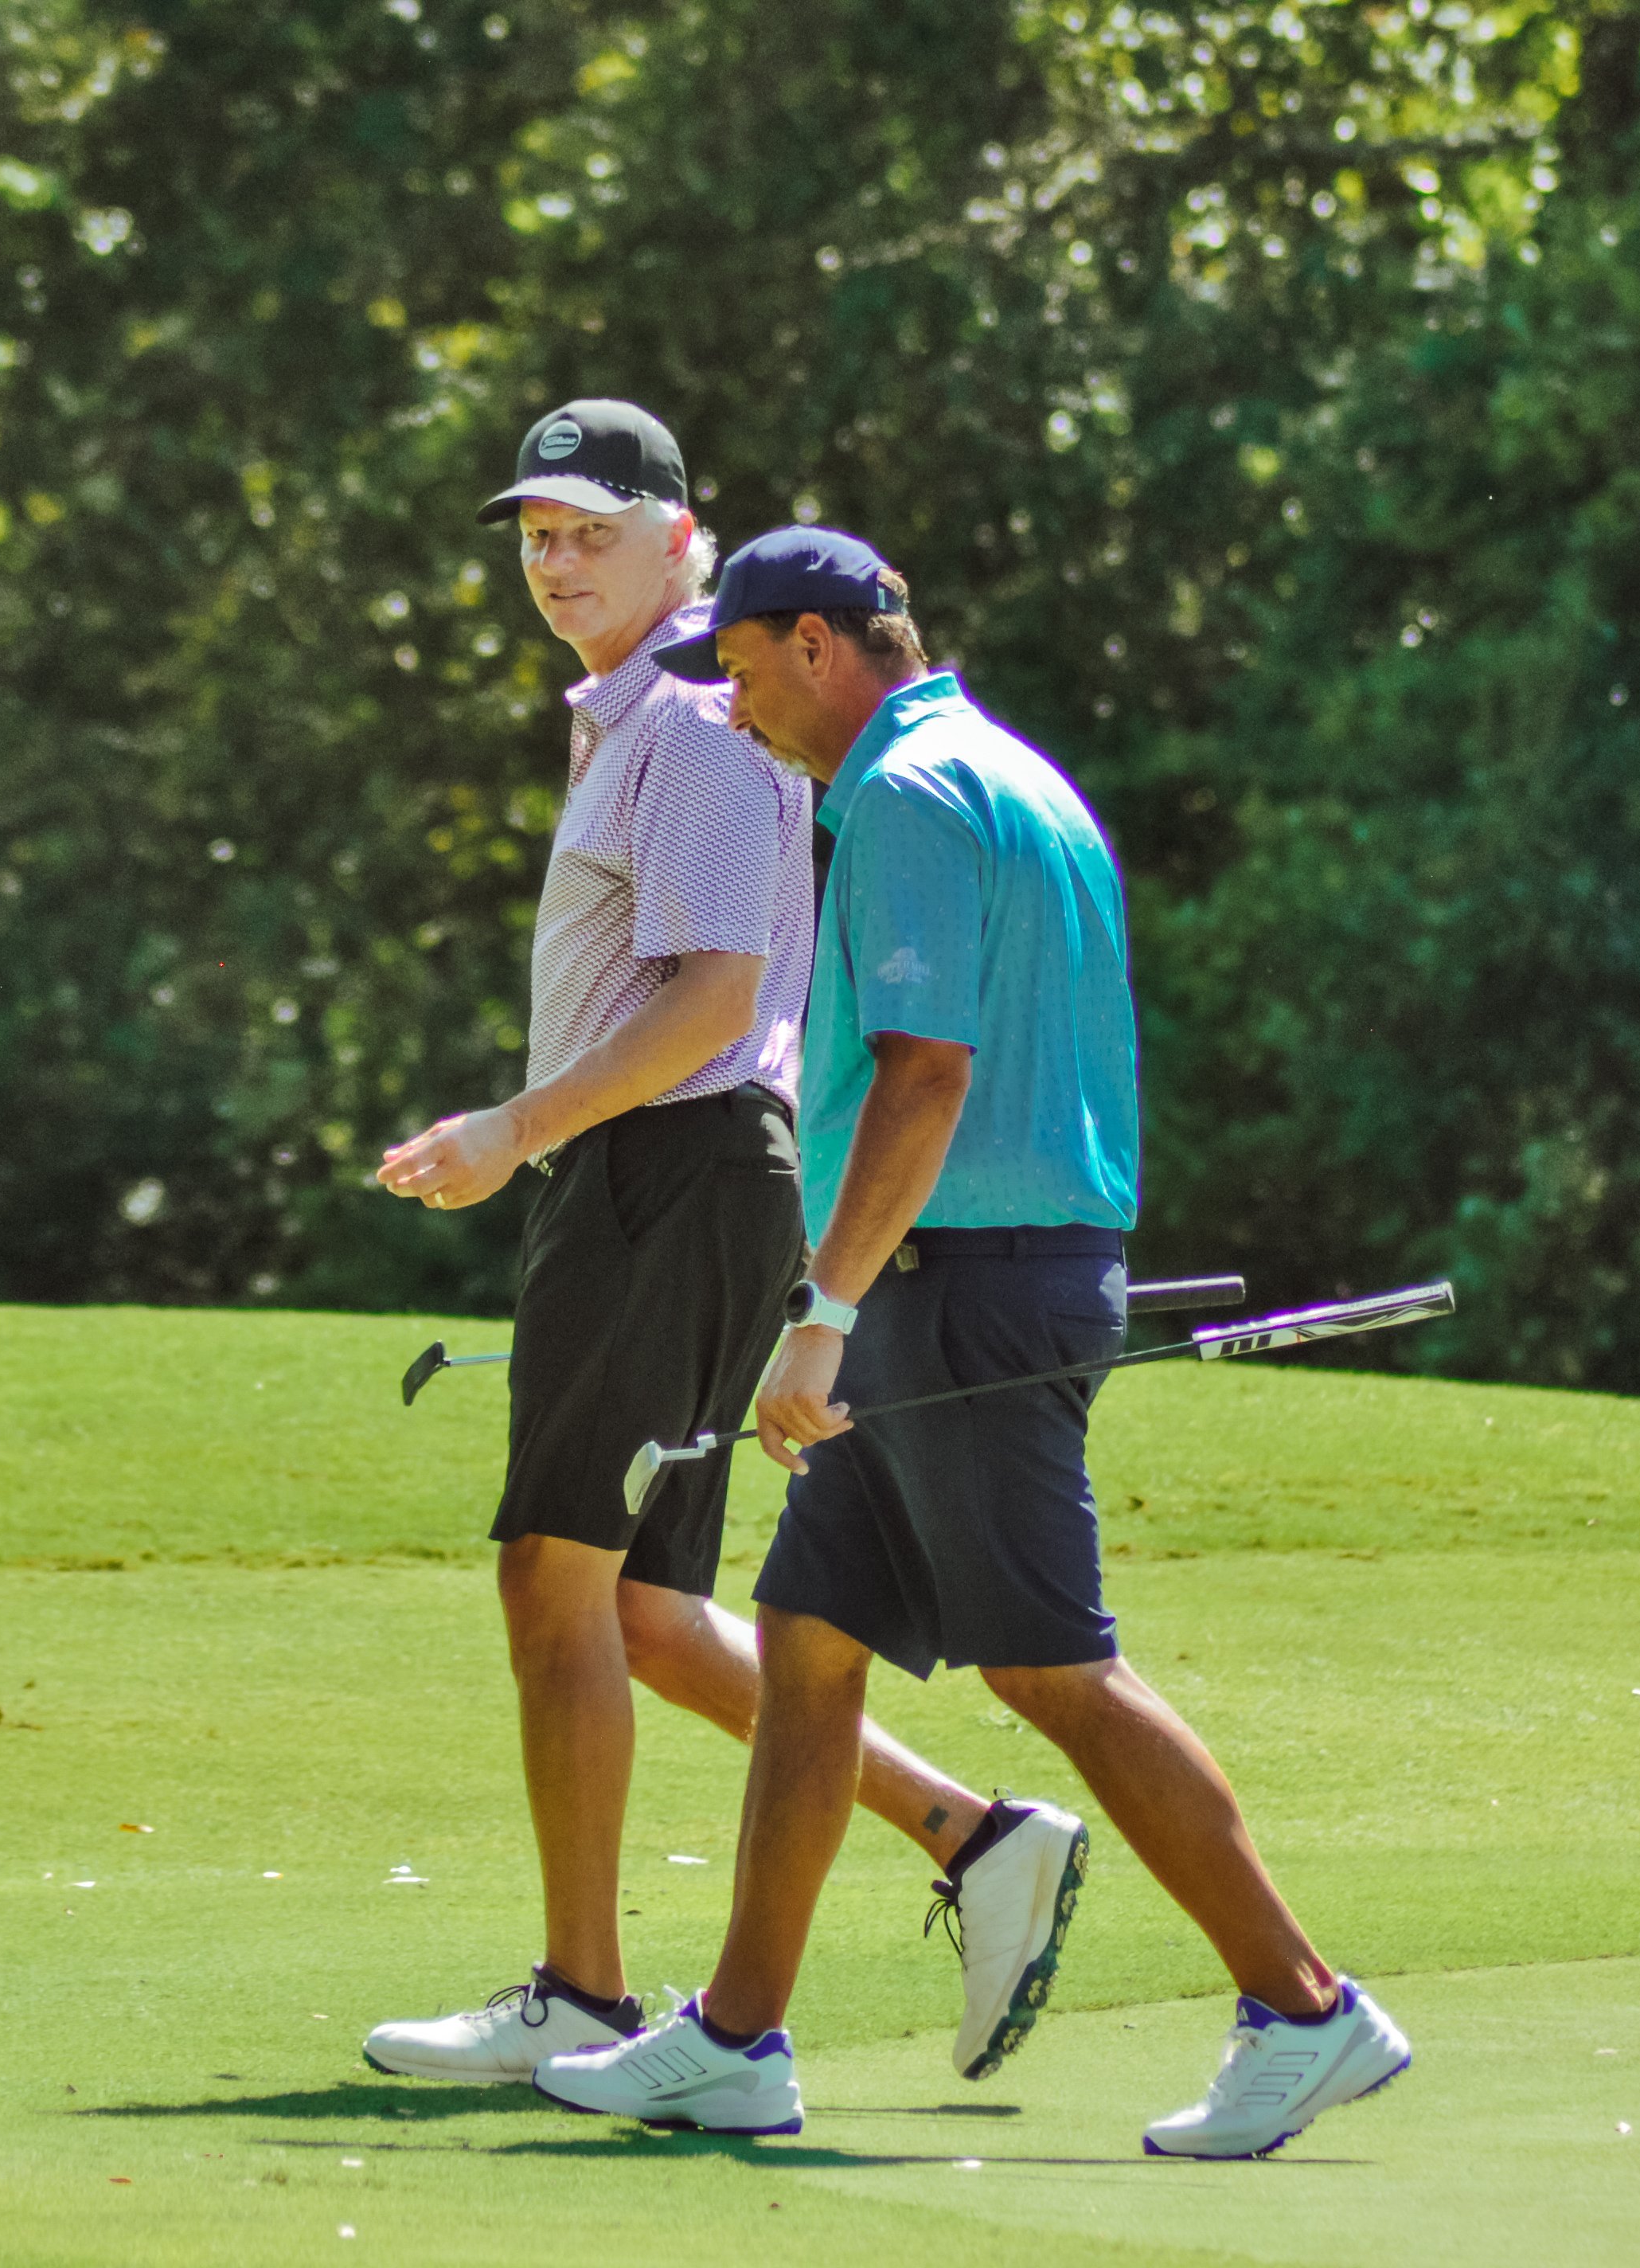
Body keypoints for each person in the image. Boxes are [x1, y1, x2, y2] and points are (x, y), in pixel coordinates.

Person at [529, 528, 1410, 2156]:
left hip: (956, 1279)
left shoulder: (905, 798)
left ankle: (1301, 2004)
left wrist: (824, 1315)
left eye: (735, 665)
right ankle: (734, 2035)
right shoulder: (1006, 769)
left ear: (814, 643)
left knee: (1045, 1663)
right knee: (803, 1634)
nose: (727, 704)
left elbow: (925, 1075)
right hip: (984, 1262)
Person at [364, 408, 1087, 2091]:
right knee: (648, 1611)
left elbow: (703, 996)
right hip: (666, 1177)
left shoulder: (686, 730)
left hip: (663, 1172)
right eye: (533, 536)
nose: (554, 565)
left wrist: (510, 1129)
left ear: (685, 541)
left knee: (552, 1575)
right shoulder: (651, 720)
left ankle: (583, 1992)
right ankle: (969, 1831)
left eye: (589, 533)